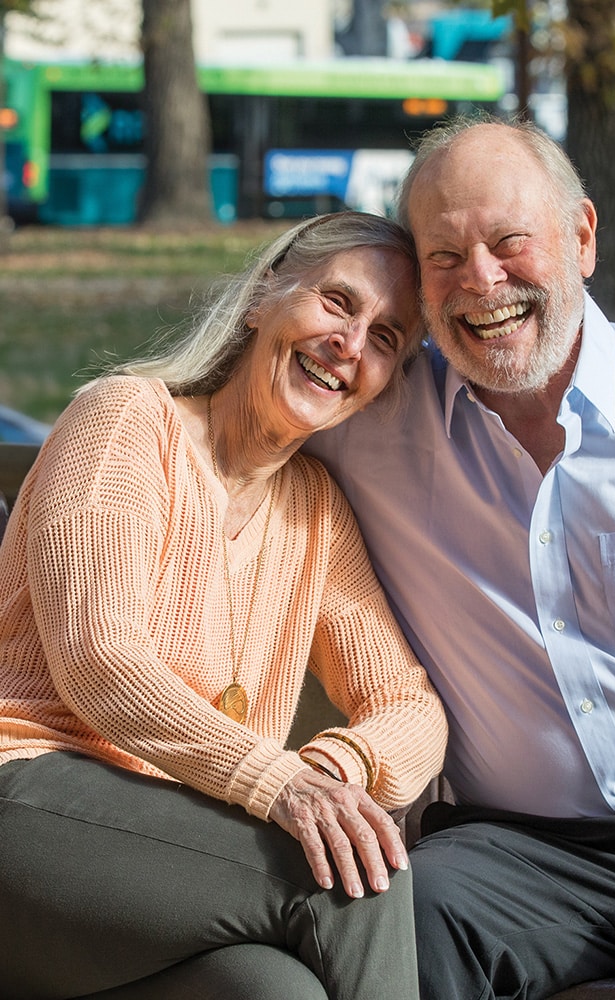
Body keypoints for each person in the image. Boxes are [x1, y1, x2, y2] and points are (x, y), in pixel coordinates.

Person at [303, 117, 615, 999]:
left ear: (582, 237)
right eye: (444, 256)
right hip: (525, 855)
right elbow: (242, 408)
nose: (482, 280)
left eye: (509, 240)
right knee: (390, 928)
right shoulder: (368, 427)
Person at [0, 211, 447, 1000]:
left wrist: (331, 767)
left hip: (160, 864)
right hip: (26, 801)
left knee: (272, 991)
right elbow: (99, 658)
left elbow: (409, 704)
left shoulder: (314, 511)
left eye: (386, 338)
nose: (350, 345)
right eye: (338, 303)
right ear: (262, 295)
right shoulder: (126, 423)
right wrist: (275, 782)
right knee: (354, 875)